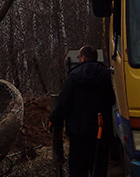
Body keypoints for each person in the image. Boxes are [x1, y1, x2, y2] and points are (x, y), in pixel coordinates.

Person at [49, 46, 115, 177]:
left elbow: (64, 104)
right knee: (99, 169)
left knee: (78, 170)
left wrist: (54, 118)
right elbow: (112, 99)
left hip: (79, 134)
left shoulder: (74, 77)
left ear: (83, 58)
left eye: (79, 57)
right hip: (101, 132)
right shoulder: (107, 76)